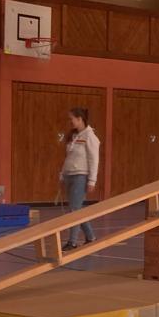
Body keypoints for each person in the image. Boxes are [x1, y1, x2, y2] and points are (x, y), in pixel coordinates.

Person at [58, 107, 100, 252]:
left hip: (81, 176)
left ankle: (72, 242)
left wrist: (92, 180)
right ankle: (90, 237)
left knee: (74, 210)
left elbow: (94, 160)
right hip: (69, 175)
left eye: (71, 119)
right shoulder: (74, 136)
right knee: (77, 208)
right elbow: (69, 157)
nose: (70, 122)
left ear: (80, 119)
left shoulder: (90, 136)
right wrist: (62, 173)